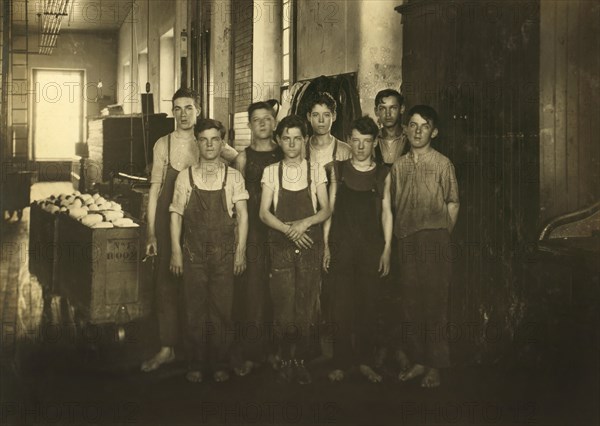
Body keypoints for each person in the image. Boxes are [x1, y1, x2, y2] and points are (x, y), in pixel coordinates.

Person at [169, 118, 249, 383]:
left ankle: (220, 363)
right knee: (194, 309)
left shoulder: (233, 176)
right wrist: (176, 252)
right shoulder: (186, 176)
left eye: (215, 139)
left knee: (222, 310)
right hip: (193, 255)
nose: (209, 144)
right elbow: (176, 215)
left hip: (224, 255)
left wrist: (240, 252)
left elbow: (243, 216)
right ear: (197, 142)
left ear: (222, 142)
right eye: (204, 139)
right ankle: (195, 362)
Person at [259, 115, 331, 384]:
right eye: (286, 138)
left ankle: (300, 359)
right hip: (280, 246)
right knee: (283, 302)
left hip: (310, 244)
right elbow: (264, 213)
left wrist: (304, 224)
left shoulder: (316, 170)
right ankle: (285, 357)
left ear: (304, 140)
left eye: (297, 138)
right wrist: (290, 231)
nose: (291, 143)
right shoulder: (271, 172)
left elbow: (326, 209)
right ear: (279, 140)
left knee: (306, 303)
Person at [391, 105, 459, 388]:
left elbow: (453, 203)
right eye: (413, 125)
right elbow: (395, 203)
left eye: (424, 125)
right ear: (405, 130)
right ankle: (419, 359)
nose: (418, 131)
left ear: (435, 131)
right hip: (406, 239)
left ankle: (436, 365)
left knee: (434, 304)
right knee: (410, 302)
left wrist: (441, 234)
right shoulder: (398, 165)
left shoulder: (443, 164)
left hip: (435, 241)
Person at [323, 116, 393, 383]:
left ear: (375, 142)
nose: (361, 147)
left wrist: (387, 249)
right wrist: (327, 246)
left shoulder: (383, 173)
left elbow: (387, 213)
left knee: (368, 303)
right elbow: (328, 211)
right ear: (349, 141)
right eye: (356, 141)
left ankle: (364, 361)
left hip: (371, 247)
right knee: (341, 305)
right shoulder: (337, 170)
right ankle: (341, 361)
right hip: (342, 245)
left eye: (366, 141)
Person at [141, 88, 201, 372]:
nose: (183, 114)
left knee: (196, 283)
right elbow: (154, 192)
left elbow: (235, 163)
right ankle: (167, 348)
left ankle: (194, 350)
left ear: (197, 110)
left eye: (188, 108)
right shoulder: (162, 144)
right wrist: (151, 232)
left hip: (200, 222)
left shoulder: (208, 141)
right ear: (173, 112)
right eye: (177, 108)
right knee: (166, 282)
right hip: (167, 221)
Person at [234, 101, 283, 371]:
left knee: (277, 289)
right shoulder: (242, 159)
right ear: (249, 125)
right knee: (253, 291)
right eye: (256, 119)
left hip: (279, 229)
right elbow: (237, 201)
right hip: (253, 230)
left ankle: (275, 351)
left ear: (275, 123)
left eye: (267, 119)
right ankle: (252, 353)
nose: (263, 124)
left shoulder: (283, 153)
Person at [305, 92, 351, 358]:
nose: (321, 121)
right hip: (307, 222)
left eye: (326, 115)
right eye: (316, 115)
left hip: (336, 225)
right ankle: (308, 345)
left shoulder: (344, 150)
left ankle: (333, 347)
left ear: (334, 117)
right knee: (309, 284)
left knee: (333, 284)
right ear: (309, 118)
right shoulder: (301, 147)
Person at [373, 89, 407, 167]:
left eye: (393, 108)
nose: (388, 114)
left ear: (401, 109)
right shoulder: (371, 140)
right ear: (376, 111)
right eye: (382, 108)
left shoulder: (412, 137)